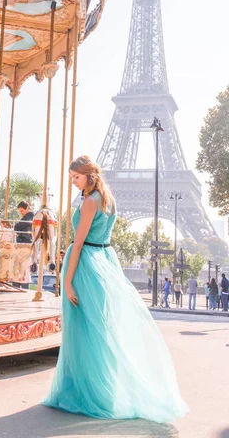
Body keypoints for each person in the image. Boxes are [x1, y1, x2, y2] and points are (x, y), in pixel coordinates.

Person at [43, 155, 187, 423]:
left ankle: (86, 392)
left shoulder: (88, 202)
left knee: (81, 331)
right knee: (100, 329)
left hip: (85, 265)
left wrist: (67, 281)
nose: (73, 181)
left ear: (89, 175)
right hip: (105, 262)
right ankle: (105, 389)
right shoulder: (107, 199)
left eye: (76, 177)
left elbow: (78, 244)